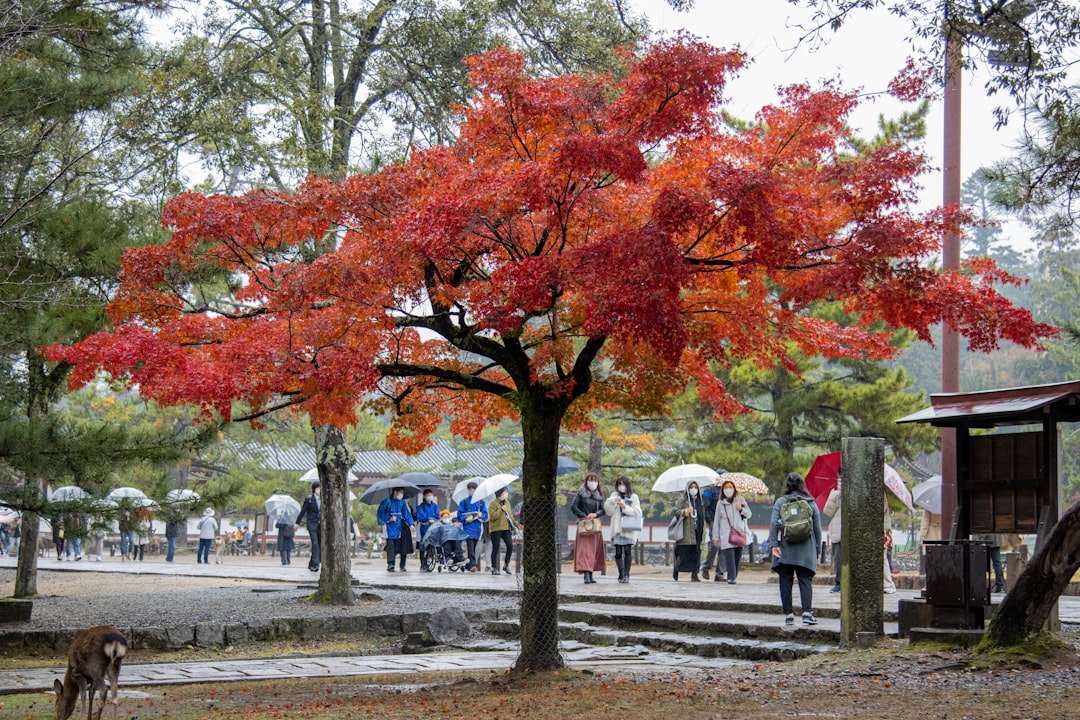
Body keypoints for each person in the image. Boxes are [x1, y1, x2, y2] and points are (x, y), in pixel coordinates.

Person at [769, 472, 823, 626]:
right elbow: (817, 529)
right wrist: (817, 549)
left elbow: (774, 524)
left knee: (785, 581)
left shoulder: (780, 502)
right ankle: (807, 613)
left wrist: (774, 545)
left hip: (785, 548)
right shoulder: (810, 502)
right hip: (806, 549)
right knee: (805, 580)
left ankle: (789, 615)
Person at [603, 475, 642, 583]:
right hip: (617, 528)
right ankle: (621, 572)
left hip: (629, 529)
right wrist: (612, 502)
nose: (621, 487)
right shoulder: (614, 496)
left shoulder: (633, 497)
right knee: (618, 552)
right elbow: (609, 512)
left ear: (627, 485)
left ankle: (626, 575)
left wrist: (624, 507)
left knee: (628, 551)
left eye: (623, 484)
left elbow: (637, 512)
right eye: (619, 484)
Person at [712, 479, 752, 584]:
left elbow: (748, 514)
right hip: (726, 534)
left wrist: (741, 509)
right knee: (729, 556)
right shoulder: (720, 503)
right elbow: (717, 521)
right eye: (726, 487)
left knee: (737, 557)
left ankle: (733, 576)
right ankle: (731, 577)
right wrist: (715, 537)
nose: (728, 489)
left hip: (739, 533)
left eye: (730, 487)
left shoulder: (740, 500)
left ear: (734, 489)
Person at [570, 472, 607, 584]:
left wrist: (596, 514)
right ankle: (586, 574)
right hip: (584, 524)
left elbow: (603, 509)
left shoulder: (599, 495)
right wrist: (583, 516)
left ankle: (591, 573)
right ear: (586, 481)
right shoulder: (581, 493)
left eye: (595, 480)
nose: (593, 483)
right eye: (590, 480)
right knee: (585, 551)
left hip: (595, 525)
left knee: (593, 551)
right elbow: (573, 506)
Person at [672, 481, 705, 582]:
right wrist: (685, 511)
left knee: (696, 552)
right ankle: (677, 569)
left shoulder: (700, 501)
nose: (693, 489)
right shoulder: (683, 500)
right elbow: (676, 511)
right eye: (691, 487)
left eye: (695, 487)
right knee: (684, 551)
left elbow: (702, 515)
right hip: (686, 530)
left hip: (697, 530)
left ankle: (695, 574)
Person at [699, 469, 728, 581]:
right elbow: (705, 506)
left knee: (724, 546)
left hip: (725, 522)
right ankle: (706, 566)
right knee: (714, 545)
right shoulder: (709, 490)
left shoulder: (727, 490)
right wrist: (710, 520)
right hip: (713, 521)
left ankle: (720, 573)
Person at [377, 487, 415, 572]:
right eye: (400, 492)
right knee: (390, 545)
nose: (401, 494)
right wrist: (389, 518)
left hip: (398, 527)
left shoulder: (402, 503)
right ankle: (391, 564)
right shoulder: (387, 502)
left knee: (397, 545)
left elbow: (406, 514)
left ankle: (400, 564)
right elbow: (379, 514)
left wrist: (411, 524)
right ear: (395, 492)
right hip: (388, 527)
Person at [487, 487, 520, 575]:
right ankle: (494, 567)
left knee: (510, 546)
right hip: (496, 529)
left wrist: (517, 524)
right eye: (505, 492)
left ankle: (506, 564)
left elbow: (510, 516)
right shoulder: (493, 504)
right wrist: (501, 510)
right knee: (496, 547)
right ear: (500, 493)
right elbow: (493, 516)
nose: (506, 494)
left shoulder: (507, 502)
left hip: (506, 528)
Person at [456, 481, 488, 572]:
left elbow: (485, 515)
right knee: (470, 547)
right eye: (470, 489)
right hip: (467, 528)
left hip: (477, 528)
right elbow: (459, 515)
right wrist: (465, 519)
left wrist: (481, 515)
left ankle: (468, 565)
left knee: (474, 547)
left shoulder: (481, 503)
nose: (471, 491)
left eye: (473, 489)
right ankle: (473, 565)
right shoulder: (464, 502)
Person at [295, 481, 322, 572]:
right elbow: (303, 512)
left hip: (321, 524)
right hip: (312, 524)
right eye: (318, 488)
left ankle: (312, 563)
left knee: (319, 543)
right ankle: (316, 564)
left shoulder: (324, 500)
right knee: (314, 543)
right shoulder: (309, 499)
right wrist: (297, 523)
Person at [822, 480, 842, 593]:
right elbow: (828, 511)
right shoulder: (835, 493)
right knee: (838, 557)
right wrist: (836, 495)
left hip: (851, 529)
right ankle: (839, 582)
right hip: (837, 531)